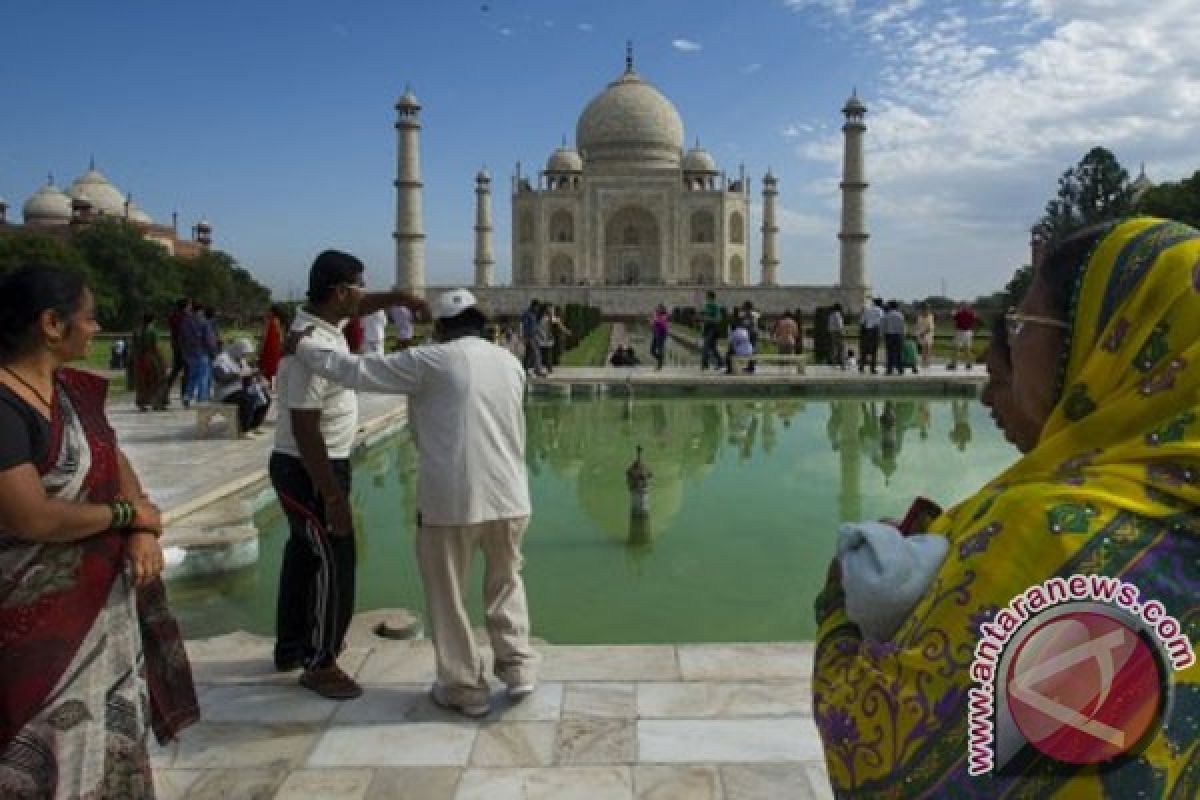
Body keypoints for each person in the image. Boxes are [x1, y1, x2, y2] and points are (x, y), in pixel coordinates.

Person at [813, 217, 1200, 796]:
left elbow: (878, 760)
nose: (1011, 344)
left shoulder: (1049, 532)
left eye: (1022, 324)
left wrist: (840, 605)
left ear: (1100, 339)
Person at [291, 288, 537, 718]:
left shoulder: (431, 360)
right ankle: (518, 670)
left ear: (440, 328)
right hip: (511, 494)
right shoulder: (510, 362)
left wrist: (305, 346)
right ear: (482, 323)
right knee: (506, 581)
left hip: (451, 499)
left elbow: (354, 370)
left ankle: (464, 688)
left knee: (448, 594)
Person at [0, 265, 198, 796]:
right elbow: (31, 517)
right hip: (32, 629)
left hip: (99, 616)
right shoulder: (5, 406)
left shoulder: (65, 391)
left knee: (108, 738)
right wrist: (127, 517)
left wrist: (141, 528)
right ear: (51, 324)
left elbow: (113, 458)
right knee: (39, 750)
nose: (95, 328)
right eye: (87, 318)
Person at [271, 250, 425, 699]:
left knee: (303, 558)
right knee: (334, 563)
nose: (363, 295)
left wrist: (401, 297)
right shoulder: (311, 348)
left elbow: (361, 304)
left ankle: (291, 648)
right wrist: (334, 496)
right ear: (339, 292)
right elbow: (304, 426)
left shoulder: (319, 328)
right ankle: (321, 663)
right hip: (310, 466)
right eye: (358, 286)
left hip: (311, 464)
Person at [213, 337, 271, 436]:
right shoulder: (222, 359)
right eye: (243, 353)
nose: (244, 356)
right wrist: (238, 374)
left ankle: (255, 425)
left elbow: (248, 373)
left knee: (265, 397)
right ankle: (245, 430)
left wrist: (259, 378)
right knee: (248, 399)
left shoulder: (241, 359)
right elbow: (220, 377)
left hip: (240, 390)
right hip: (226, 392)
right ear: (237, 349)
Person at [132, 312, 166, 411]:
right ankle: (156, 402)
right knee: (157, 379)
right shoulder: (152, 331)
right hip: (151, 357)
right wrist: (162, 358)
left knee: (142, 381)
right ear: (153, 320)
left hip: (139, 358)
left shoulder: (137, 331)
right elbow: (156, 346)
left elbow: (134, 346)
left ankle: (142, 402)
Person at [161, 297, 190, 407]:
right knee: (186, 372)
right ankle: (184, 396)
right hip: (184, 347)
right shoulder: (186, 318)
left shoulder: (173, 316)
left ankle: (164, 394)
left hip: (176, 346)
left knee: (174, 371)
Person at [259, 304, 286, 387]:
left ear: (272, 312)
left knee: (266, 371)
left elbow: (264, 337)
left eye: (269, 311)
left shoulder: (269, 322)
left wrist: (260, 351)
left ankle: (267, 390)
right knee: (274, 371)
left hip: (268, 350)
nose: (267, 312)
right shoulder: (279, 322)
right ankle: (274, 389)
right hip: (277, 350)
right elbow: (281, 339)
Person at [520, 299, 546, 377]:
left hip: (533, 336)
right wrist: (522, 336)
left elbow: (535, 326)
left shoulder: (534, 314)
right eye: (537, 307)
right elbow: (522, 325)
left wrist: (541, 334)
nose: (538, 309)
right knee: (536, 353)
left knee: (528, 354)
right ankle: (538, 370)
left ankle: (524, 370)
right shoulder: (527, 314)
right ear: (534, 306)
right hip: (529, 337)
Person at [699, 290, 724, 370]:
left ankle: (705, 365)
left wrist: (707, 318)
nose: (706, 298)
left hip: (713, 329)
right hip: (707, 329)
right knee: (712, 347)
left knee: (705, 346)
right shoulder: (707, 305)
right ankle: (720, 362)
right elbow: (705, 317)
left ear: (710, 297)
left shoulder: (715, 306)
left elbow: (718, 319)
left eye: (707, 296)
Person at [948, 301, 976, 369]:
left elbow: (952, 314)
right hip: (968, 332)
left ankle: (954, 364)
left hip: (960, 331)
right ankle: (968, 364)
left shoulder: (959, 313)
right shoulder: (971, 314)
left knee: (956, 348)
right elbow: (974, 318)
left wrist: (957, 308)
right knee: (967, 349)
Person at [858, 297, 883, 373]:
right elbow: (881, 322)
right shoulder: (880, 310)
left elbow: (862, 321)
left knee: (864, 350)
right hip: (875, 330)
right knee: (874, 351)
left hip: (867, 330)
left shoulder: (867, 309)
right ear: (880, 303)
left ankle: (862, 367)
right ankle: (872, 368)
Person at [881, 301, 906, 375]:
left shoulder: (886, 315)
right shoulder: (900, 315)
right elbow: (902, 327)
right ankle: (900, 369)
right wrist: (903, 335)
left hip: (889, 335)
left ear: (890, 306)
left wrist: (882, 335)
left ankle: (889, 369)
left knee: (889, 353)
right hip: (898, 335)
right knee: (899, 353)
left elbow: (883, 326)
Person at [915, 303, 936, 369]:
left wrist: (924, 332)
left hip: (928, 333)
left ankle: (927, 362)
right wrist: (919, 333)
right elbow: (918, 325)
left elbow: (931, 326)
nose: (925, 309)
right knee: (923, 349)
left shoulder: (930, 316)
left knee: (928, 348)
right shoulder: (919, 316)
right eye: (924, 308)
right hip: (921, 334)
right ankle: (924, 362)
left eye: (927, 308)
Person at [650, 304, 670, 369]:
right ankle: (660, 360)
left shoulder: (664, 316)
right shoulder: (656, 315)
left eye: (659, 308)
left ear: (662, 309)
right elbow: (654, 324)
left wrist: (656, 320)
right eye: (657, 308)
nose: (657, 309)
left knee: (660, 349)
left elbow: (664, 325)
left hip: (661, 334)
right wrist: (652, 323)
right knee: (652, 350)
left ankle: (659, 364)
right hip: (656, 334)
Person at [827, 303, 845, 368]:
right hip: (838, 332)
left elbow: (829, 325)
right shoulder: (838, 315)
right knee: (841, 348)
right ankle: (842, 364)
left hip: (832, 333)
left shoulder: (830, 315)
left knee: (834, 348)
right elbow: (840, 324)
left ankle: (833, 363)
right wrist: (842, 332)